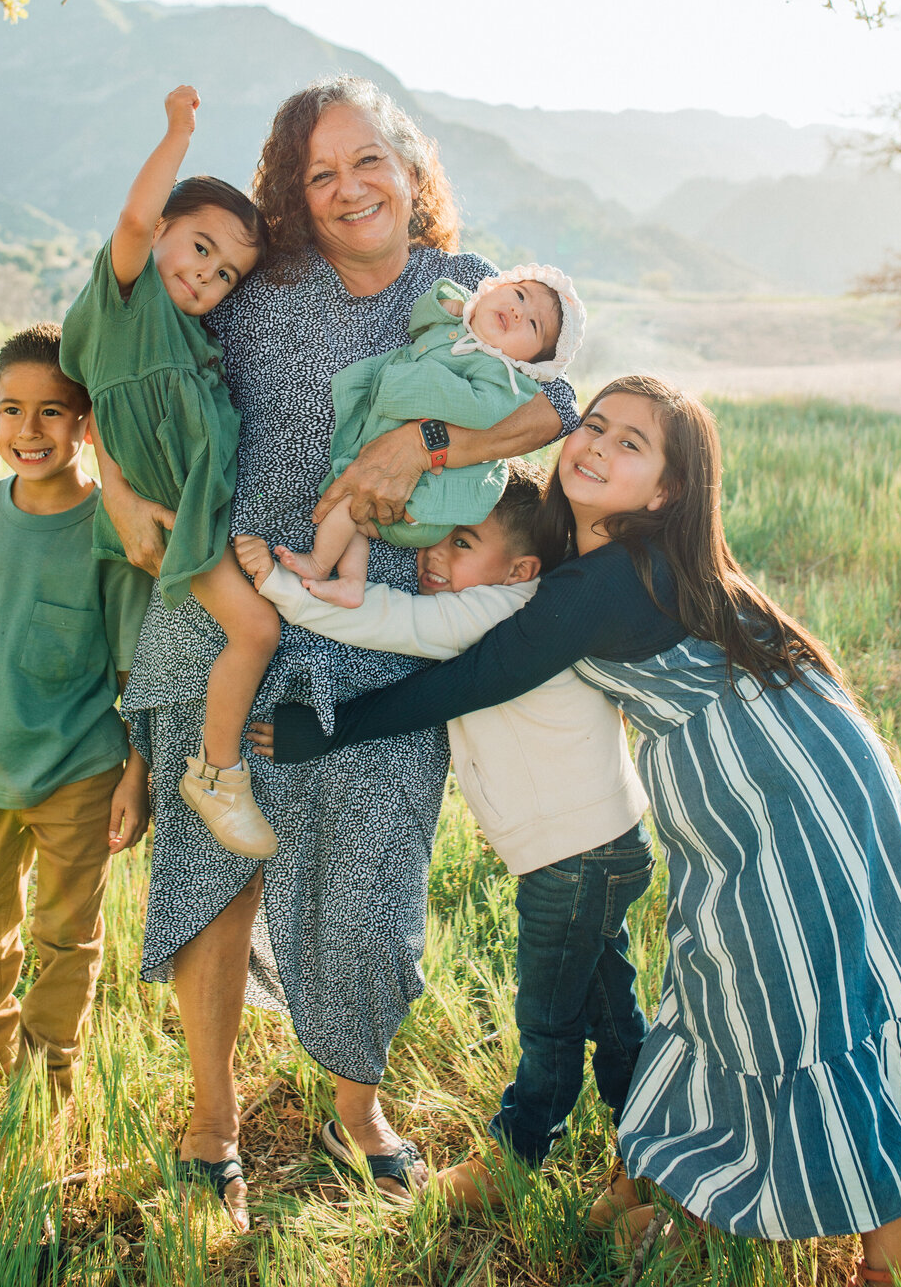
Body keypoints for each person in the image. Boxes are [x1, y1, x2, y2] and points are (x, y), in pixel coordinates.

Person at [263, 375, 901, 1286]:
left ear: (666, 491)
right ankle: (667, 1186)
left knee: (796, 999)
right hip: (748, 776)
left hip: (782, 782)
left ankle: (887, 1254)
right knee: (721, 987)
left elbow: (475, 677)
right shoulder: (588, 560)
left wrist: (333, 728)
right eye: (593, 425)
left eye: (631, 443)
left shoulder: (610, 578)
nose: (595, 444)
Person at [97, 74, 579, 1229]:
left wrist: (423, 443)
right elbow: (114, 363)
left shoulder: (466, 292)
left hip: (380, 625)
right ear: (294, 197)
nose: (348, 186)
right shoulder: (253, 287)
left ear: (412, 173)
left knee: (369, 880)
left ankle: (354, 1107)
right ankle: (212, 1120)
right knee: (214, 875)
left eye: (368, 160)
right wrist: (117, 494)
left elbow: (555, 403)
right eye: (320, 174)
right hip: (229, 598)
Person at [236, 457, 654, 1218]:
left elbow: (385, 620)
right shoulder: (524, 602)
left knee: (552, 1023)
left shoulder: (499, 607)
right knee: (611, 1012)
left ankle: (518, 1151)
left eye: (460, 541)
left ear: (519, 565)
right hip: (604, 844)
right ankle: (649, 1163)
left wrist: (275, 584)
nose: (433, 555)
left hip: (574, 858)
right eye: (433, 537)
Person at [0, 324, 153, 1100]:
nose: (29, 430)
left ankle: (49, 1085)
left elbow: (135, 674)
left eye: (52, 412)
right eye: (12, 410)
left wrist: (135, 775)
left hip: (78, 771)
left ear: (86, 425)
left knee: (67, 933)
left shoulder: (110, 532)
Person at [60, 85, 281, 860]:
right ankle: (217, 773)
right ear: (161, 232)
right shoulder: (130, 300)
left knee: (149, 654)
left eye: (225, 274)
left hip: (199, 514)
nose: (205, 277)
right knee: (255, 628)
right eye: (198, 248)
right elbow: (130, 221)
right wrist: (178, 134)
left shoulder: (193, 338)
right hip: (175, 518)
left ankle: (164, 767)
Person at [274, 266, 585, 607]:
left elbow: (480, 409)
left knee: (350, 504)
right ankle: (351, 581)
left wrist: (421, 383)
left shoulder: (501, 373)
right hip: (389, 478)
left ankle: (319, 564)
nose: (517, 311)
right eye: (519, 295)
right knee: (356, 513)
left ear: (532, 361)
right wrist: (448, 308)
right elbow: (419, 320)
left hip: (425, 496)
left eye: (533, 324)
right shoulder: (461, 326)